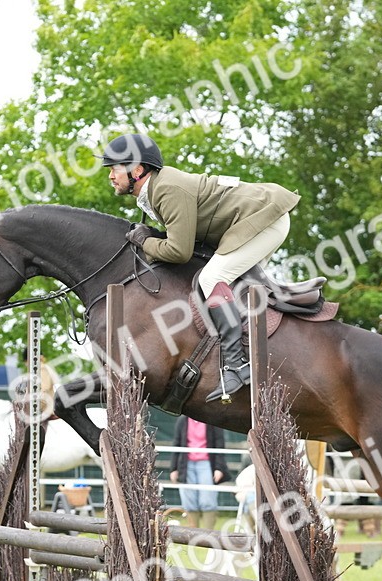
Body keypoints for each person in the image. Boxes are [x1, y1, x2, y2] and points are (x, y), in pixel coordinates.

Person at [99, 133, 301, 403]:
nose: (111, 176)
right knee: (230, 286)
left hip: (265, 219)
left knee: (213, 278)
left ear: (137, 170)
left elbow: (179, 252)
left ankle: (236, 365)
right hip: (254, 219)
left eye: (114, 169)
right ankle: (250, 348)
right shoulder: (156, 190)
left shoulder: (167, 189)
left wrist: (145, 242)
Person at [168, 415, 230, 531]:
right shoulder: (182, 420)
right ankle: (193, 533)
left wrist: (219, 468)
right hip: (186, 465)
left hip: (206, 463)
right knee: (189, 500)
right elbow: (176, 443)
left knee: (207, 499)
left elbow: (220, 444)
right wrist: (173, 468)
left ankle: (208, 534)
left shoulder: (212, 420)